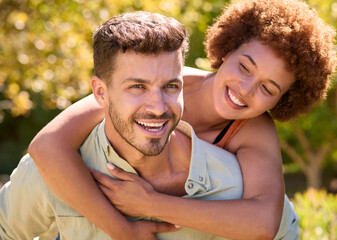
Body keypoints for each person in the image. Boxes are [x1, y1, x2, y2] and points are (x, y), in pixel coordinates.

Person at [27, 0, 337, 239]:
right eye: (245, 67)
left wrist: (150, 203)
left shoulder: (254, 129)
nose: (245, 89)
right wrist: (123, 230)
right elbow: (47, 145)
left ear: (282, 100)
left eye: (268, 88)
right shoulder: (162, 87)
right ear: (227, 50)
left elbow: (263, 223)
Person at [0, 11, 245, 240]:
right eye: (137, 87)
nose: (158, 107)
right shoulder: (49, 172)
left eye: (170, 86)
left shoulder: (230, 185)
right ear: (100, 93)